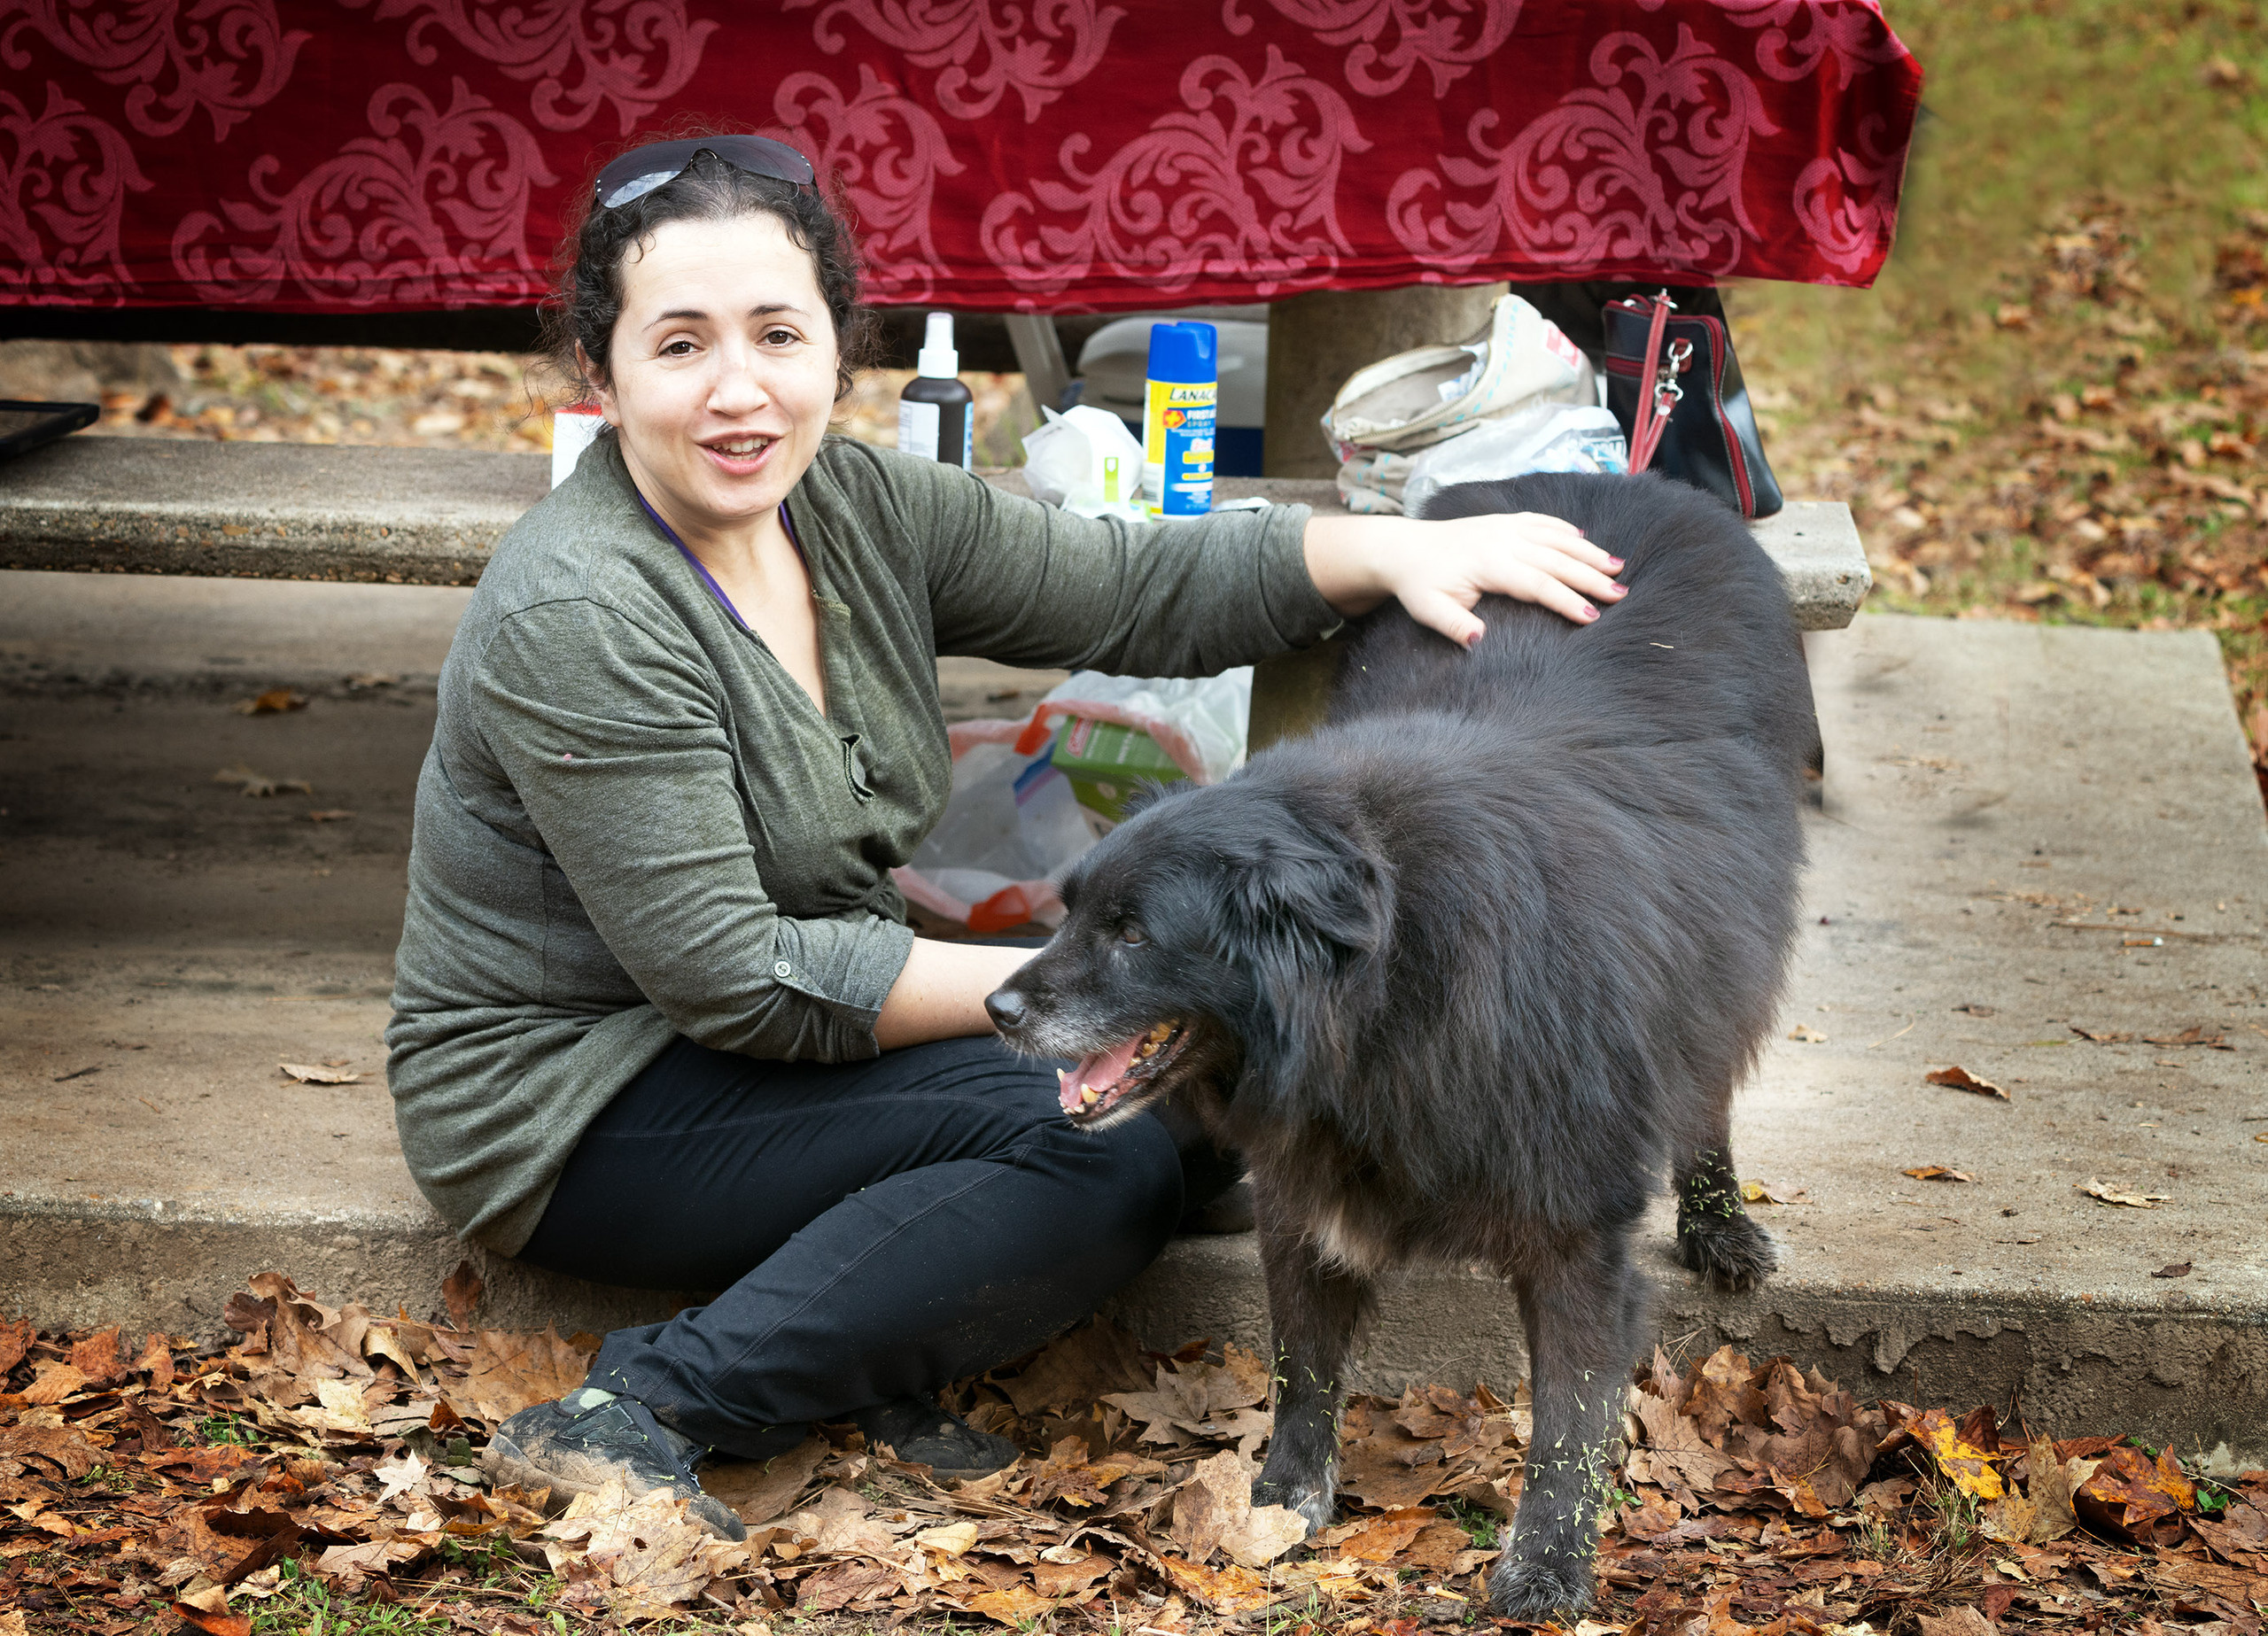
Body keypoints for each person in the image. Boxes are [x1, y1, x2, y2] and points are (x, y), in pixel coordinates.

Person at [384, 134, 1627, 1540]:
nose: (740, 390)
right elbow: (731, 974)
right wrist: (1096, 987)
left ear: (836, 349)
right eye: (680, 345)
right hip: (576, 1098)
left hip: (759, 1040)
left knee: (1204, 1107)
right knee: (1101, 1140)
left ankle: (863, 1350)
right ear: (600, 375)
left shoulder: (845, 508)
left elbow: (1130, 580)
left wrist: (1391, 549)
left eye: (779, 335)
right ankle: (649, 1404)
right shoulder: (585, 612)